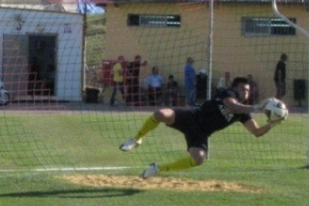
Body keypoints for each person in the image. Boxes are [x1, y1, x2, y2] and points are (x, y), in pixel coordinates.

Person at [119, 76, 281, 178]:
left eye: (248, 91)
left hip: (201, 133)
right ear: (234, 89)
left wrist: (272, 123)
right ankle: (137, 139)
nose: (246, 93)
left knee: (198, 159)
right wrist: (257, 107)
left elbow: (257, 132)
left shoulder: (243, 113)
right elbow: (232, 106)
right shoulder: (228, 94)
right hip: (191, 117)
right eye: (243, 89)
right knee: (160, 114)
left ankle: (157, 168)